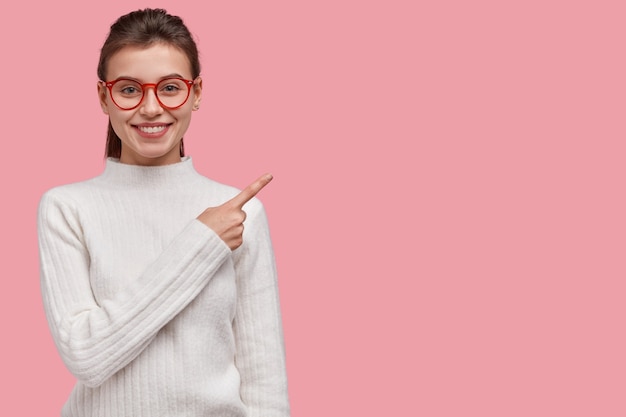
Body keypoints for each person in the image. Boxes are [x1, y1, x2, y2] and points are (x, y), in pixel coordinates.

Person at [37, 8, 290, 417]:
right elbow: (87, 356)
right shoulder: (67, 208)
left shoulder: (241, 213)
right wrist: (200, 243)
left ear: (197, 91)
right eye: (130, 89)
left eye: (170, 88)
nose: (152, 108)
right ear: (104, 96)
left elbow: (264, 379)